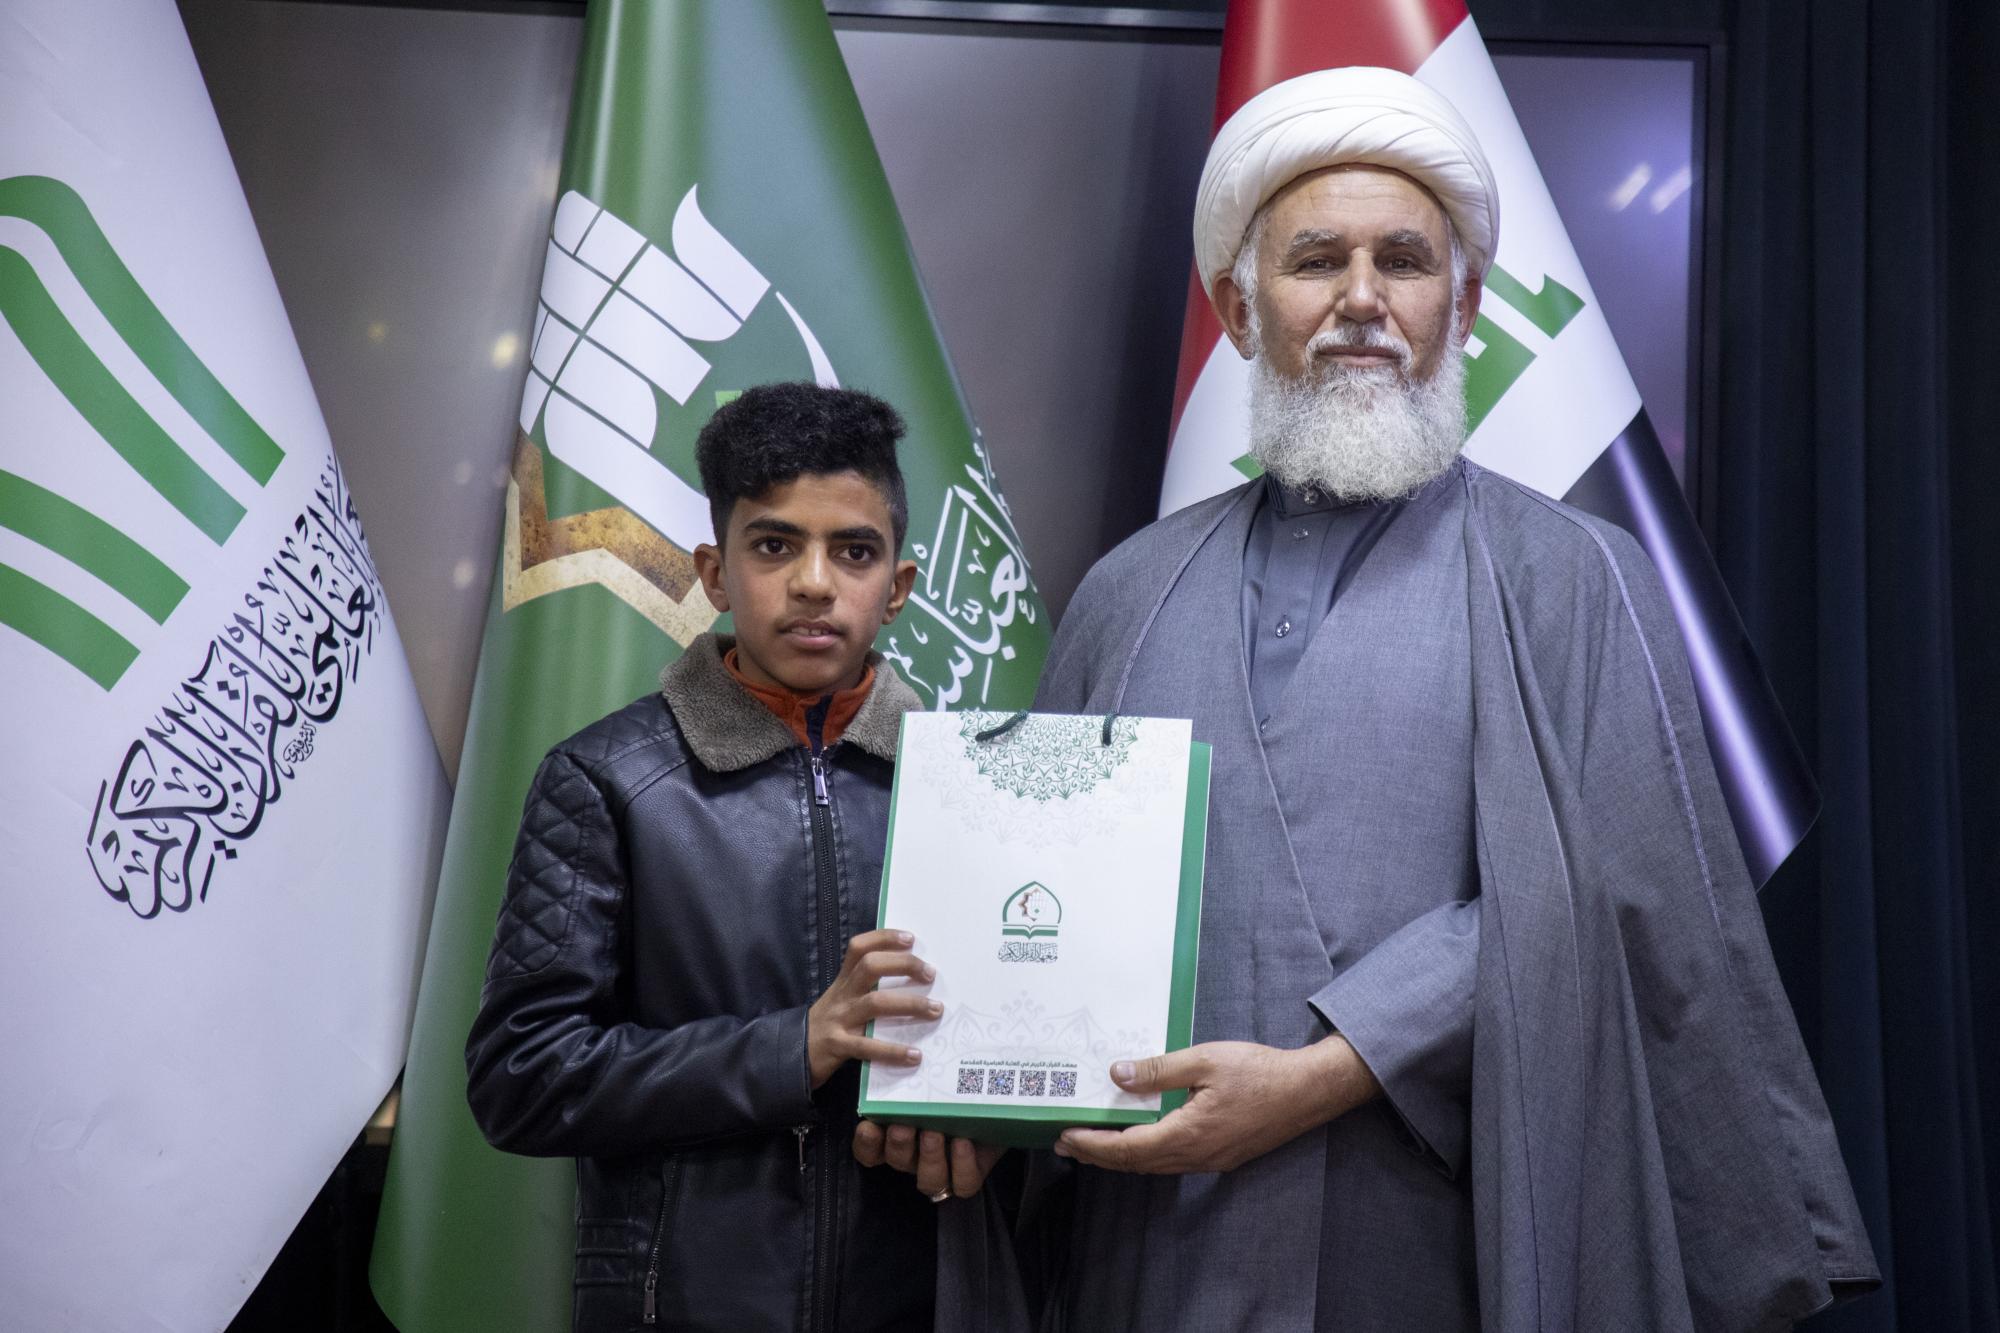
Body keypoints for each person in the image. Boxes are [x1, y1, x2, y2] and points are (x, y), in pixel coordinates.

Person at [926, 67, 1879, 1330]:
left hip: (1444, 1230)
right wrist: (959, 1075)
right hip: (1153, 1241)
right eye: (1315, 260)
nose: (1362, 299)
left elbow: (1615, 901)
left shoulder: (1574, 575)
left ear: (1463, 305)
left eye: (1405, 262)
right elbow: (1033, 904)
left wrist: (1332, 1069)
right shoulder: (1127, 589)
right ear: (1239, 309)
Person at [465, 382, 955, 1331]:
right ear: (715, 574)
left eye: (854, 551)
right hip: (681, 1304)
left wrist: (992, 1133)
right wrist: (791, 1047)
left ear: (897, 587)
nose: (814, 582)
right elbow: (520, 1076)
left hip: (914, 1299)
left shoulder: (969, 788)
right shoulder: (607, 780)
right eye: (774, 546)